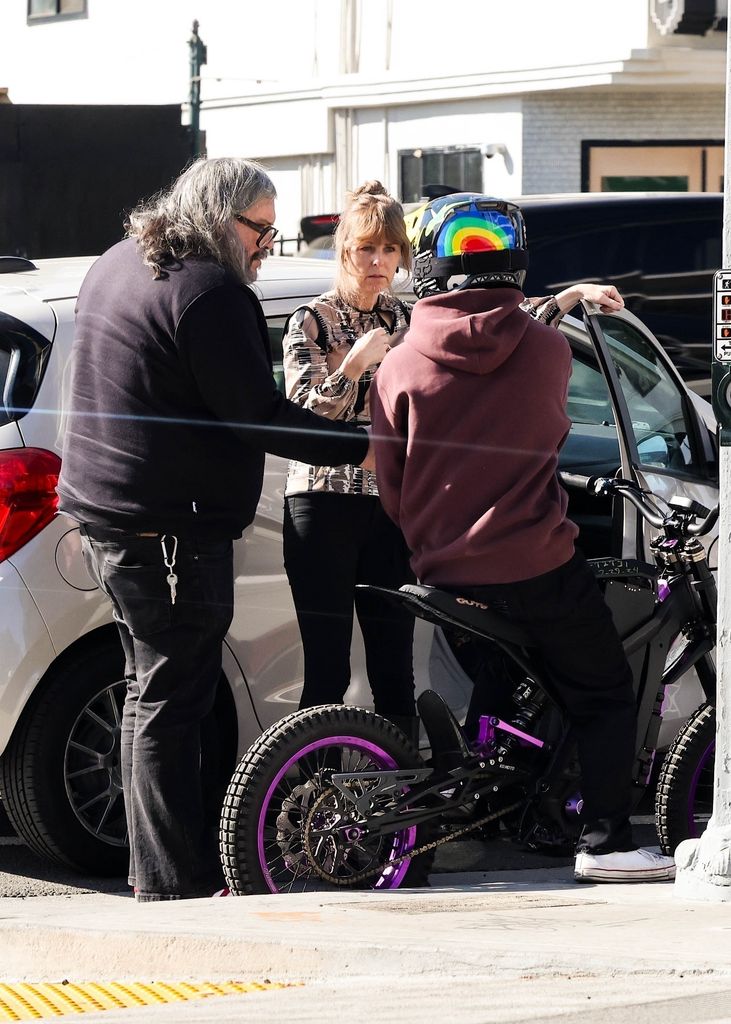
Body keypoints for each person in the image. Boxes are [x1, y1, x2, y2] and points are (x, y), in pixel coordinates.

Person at [56, 157, 373, 902]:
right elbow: (255, 417)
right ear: (215, 214)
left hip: (110, 512)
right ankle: (176, 886)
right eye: (257, 228)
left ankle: (160, 874)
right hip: (169, 528)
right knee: (172, 701)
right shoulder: (211, 290)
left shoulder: (119, 260)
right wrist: (371, 446)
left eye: (271, 230)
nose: (265, 244)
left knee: (152, 694)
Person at [370, 192, 677, 883]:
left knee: (497, 682)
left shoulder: (397, 364)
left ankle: (498, 812)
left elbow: (389, 479)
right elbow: (550, 433)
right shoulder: (544, 352)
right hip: (533, 562)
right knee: (602, 693)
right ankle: (605, 844)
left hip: (441, 570)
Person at [281, 181, 417, 742]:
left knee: (394, 670)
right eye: (368, 249)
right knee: (327, 673)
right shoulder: (309, 321)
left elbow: (487, 327)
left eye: (390, 250)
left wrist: (566, 298)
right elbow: (303, 417)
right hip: (321, 506)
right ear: (344, 252)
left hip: (388, 507)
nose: (380, 262)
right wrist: (355, 365)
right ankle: (315, 808)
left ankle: (403, 812)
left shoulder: (409, 320)